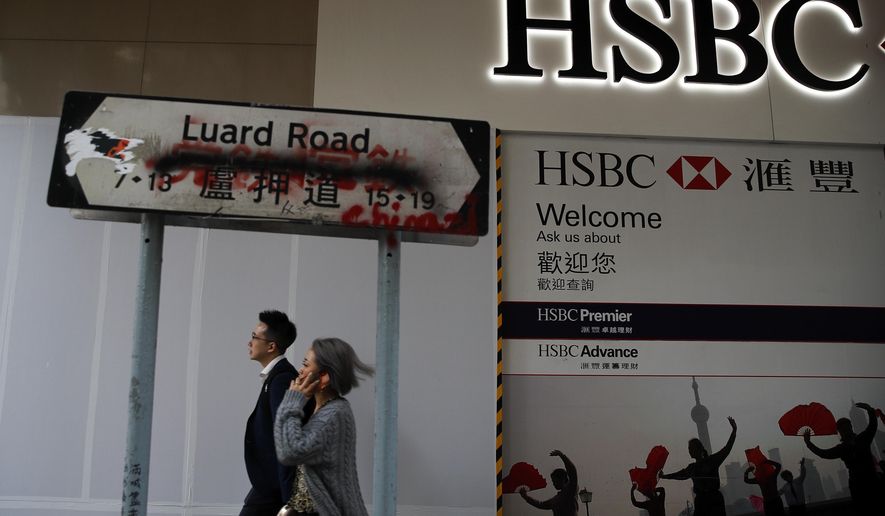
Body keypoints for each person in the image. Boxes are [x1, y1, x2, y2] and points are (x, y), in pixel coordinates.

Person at [274, 337, 374, 516]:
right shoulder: (321, 410)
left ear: (324, 376)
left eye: (305, 365)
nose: (300, 371)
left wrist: (291, 401)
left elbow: (289, 452)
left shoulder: (333, 415)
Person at [241, 310, 301, 516]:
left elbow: (285, 437)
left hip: (273, 487)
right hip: (269, 484)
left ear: (271, 346)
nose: (249, 342)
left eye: (254, 337)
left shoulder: (282, 379)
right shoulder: (276, 377)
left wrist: (288, 499)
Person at [803, 402, 880, 515]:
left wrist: (870, 411)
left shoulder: (860, 440)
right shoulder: (847, 446)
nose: (845, 431)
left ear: (850, 427)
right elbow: (823, 453)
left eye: (846, 428)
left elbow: (872, 426)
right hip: (860, 484)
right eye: (842, 429)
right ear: (840, 432)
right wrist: (808, 443)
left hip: (868, 482)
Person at [660, 417, 737, 516]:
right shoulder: (692, 468)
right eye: (689, 448)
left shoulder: (712, 461)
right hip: (701, 502)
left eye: (691, 448)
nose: (689, 451)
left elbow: (727, 449)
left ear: (699, 449)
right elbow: (679, 475)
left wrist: (734, 431)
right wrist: (664, 476)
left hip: (714, 500)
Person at [517, 449, 578, 516]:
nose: (554, 484)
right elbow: (541, 504)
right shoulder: (556, 499)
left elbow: (572, 472)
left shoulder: (570, 490)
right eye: (553, 481)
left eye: (555, 481)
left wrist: (562, 456)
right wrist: (525, 497)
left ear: (563, 479)